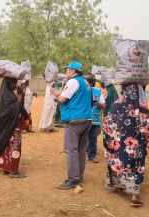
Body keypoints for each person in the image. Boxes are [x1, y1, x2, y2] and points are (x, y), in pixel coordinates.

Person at [103, 83, 149, 207]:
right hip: (136, 147)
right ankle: (134, 194)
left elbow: (107, 125)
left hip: (120, 145)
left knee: (117, 162)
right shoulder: (143, 108)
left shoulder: (116, 105)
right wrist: (144, 143)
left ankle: (116, 184)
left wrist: (112, 141)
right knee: (136, 167)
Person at [51, 60, 92, 190]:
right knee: (81, 150)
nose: (66, 71)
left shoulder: (73, 82)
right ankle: (79, 176)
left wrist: (56, 95)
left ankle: (73, 179)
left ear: (74, 71)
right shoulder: (85, 82)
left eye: (68, 69)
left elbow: (63, 99)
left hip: (75, 120)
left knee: (71, 150)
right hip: (86, 119)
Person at [0, 77, 29, 178]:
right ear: (9, 83)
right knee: (14, 146)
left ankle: (5, 167)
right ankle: (13, 170)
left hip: (7, 126)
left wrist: (20, 94)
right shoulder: (7, 95)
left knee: (6, 144)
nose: (16, 85)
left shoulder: (7, 93)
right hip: (10, 126)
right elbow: (15, 108)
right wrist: (21, 95)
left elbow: (17, 106)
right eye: (14, 83)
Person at [85, 73, 106, 163]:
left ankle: (92, 156)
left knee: (93, 138)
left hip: (95, 120)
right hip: (84, 118)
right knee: (83, 138)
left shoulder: (97, 91)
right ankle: (83, 154)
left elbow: (104, 105)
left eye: (86, 81)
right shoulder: (82, 91)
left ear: (90, 83)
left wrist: (97, 103)